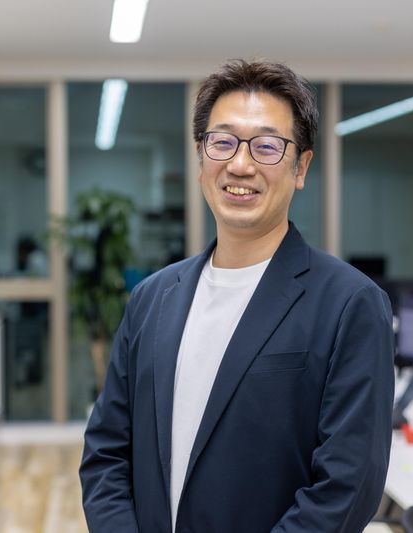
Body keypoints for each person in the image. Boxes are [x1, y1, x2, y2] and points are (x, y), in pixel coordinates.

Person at [80, 60, 395, 533]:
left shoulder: (350, 305)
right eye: (223, 142)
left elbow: (346, 488)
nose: (240, 165)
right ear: (201, 157)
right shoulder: (152, 299)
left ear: (301, 167)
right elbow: (106, 452)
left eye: (266, 146)